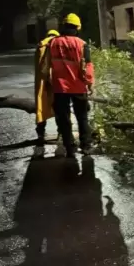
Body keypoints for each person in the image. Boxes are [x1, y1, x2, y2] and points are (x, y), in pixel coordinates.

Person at [44, 13, 94, 158]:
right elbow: (88, 66)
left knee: (63, 118)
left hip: (59, 86)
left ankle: (69, 146)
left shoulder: (52, 43)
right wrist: (89, 84)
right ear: (77, 28)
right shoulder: (82, 44)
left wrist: (47, 82)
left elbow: (46, 65)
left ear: (63, 26)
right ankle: (86, 146)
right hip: (78, 86)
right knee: (82, 117)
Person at [34, 29, 60, 146]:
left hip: (42, 82)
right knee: (59, 107)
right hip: (56, 80)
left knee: (41, 107)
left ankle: (40, 134)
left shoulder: (40, 45)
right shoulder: (57, 44)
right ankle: (61, 133)